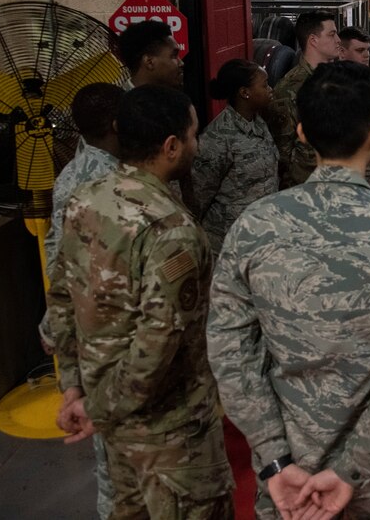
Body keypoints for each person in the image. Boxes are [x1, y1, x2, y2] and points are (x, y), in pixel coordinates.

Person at [208, 61, 370, 520]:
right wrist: (351, 469)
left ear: (302, 133)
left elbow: (230, 353)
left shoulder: (254, 226)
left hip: (290, 482)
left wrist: (275, 460)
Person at [49, 85, 233, 518]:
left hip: (115, 431)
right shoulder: (171, 229)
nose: (197, 145)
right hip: (172, 439)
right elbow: (158, 340)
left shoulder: (85, 200)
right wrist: (96, 408)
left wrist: (74, 387)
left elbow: (61, 298)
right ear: (171, 147)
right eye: (193, 135)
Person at [42, 82, 123, 520]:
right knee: (114, 453)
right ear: (116, 124)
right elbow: (72, 263)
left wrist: (54, 323)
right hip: (105, 326)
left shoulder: (72, 173)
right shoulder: (103, 181)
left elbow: (57, 255)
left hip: (89, 326)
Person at [191, 60, 278, 254]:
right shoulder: (218, 137)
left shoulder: (259, 123)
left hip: (260, 237)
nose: (270, 90)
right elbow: (199, 196)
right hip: (229, 244)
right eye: (264, 85)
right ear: (245, 92)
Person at [264, 10, 340, 188]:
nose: (338, 40)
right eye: (332, 34)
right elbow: (283, 153)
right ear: (313, 40)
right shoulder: (290, 89)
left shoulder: (337, 79)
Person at [337, 27, 370, 196]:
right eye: (360, 50)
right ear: (342, 52)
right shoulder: (332, 85)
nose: (366, 55)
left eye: (368, 50)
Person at [117, 19, 184, 89]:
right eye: (174, 56)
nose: (181, 63)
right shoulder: (116, 96)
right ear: (150, 62)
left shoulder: (178, 94)